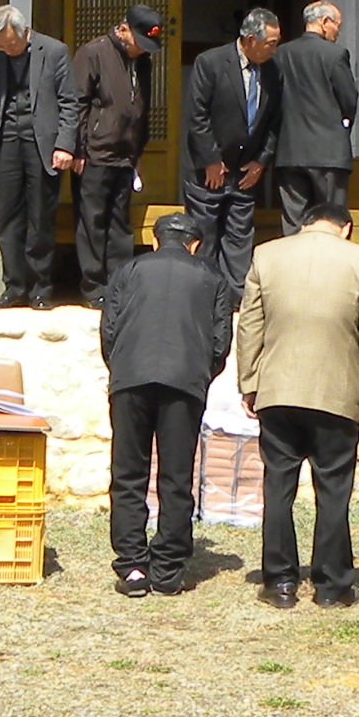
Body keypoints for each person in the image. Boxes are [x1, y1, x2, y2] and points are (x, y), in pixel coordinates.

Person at [233, 203, 359, 611]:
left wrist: (248, 382)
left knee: (278, 487)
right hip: (337, 391)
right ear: (346, 228)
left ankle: (280, 582)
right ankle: (332, 585)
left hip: (278, 390)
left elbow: (249, 324)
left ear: (303, 225)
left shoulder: (266, 254)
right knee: (333, 490)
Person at [98, 211, 225, 597]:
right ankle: (168, 569)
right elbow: (220, 342)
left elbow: (109, 330)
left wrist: (121, 367)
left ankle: (133, 566)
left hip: (130, 378)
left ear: (155, 240)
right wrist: (200, 373)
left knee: (128, 473)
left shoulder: (128, 269)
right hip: (184, 382)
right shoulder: (212, 277)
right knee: (176, 476)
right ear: (195, 245)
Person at [181, 9, 282, 340]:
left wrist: (261, 162)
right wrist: (211, 160)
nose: (274, 49)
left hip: (245, 170)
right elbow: (197, 116)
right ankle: (204, 300)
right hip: (209, 170)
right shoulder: (211, 63)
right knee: (205, 235)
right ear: (250, 40)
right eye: (270, 43)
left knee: (239, 238)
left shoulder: (273, 71)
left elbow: (274, 122)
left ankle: (236, 303)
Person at [0, 5, 74, 307]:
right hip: (7, 141)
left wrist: (65, 145)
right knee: (8, 217)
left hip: (42, 143)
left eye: (11, 43)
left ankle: (40, 288)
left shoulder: (55, 51)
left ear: (25, 32)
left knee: (40, 217)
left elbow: (69, 102)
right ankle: (14, 287)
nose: (7, 49)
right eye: (1, 45)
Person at [68, 5, 160, 304]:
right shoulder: (93, 53)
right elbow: (78, 104)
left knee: (120, 223)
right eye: (139, 42)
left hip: (125, 155)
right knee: (92, 222)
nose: (142, 49)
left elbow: (141, 108)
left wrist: (138, 150)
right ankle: (93, 287)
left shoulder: (142, 62)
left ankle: (119, 284)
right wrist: (78, 148)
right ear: (123, 30)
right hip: (95, 153)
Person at [271, 1, 359, 239]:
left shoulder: (281, 53)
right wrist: (343, 125)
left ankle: (293, 263)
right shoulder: (335, 54)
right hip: (329, 152)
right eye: (337, 25)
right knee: (331, 220)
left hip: (290, 150)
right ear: (324, 22)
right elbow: (349, 99)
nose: (337, 31)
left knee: (293, 222)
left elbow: (272, 100)